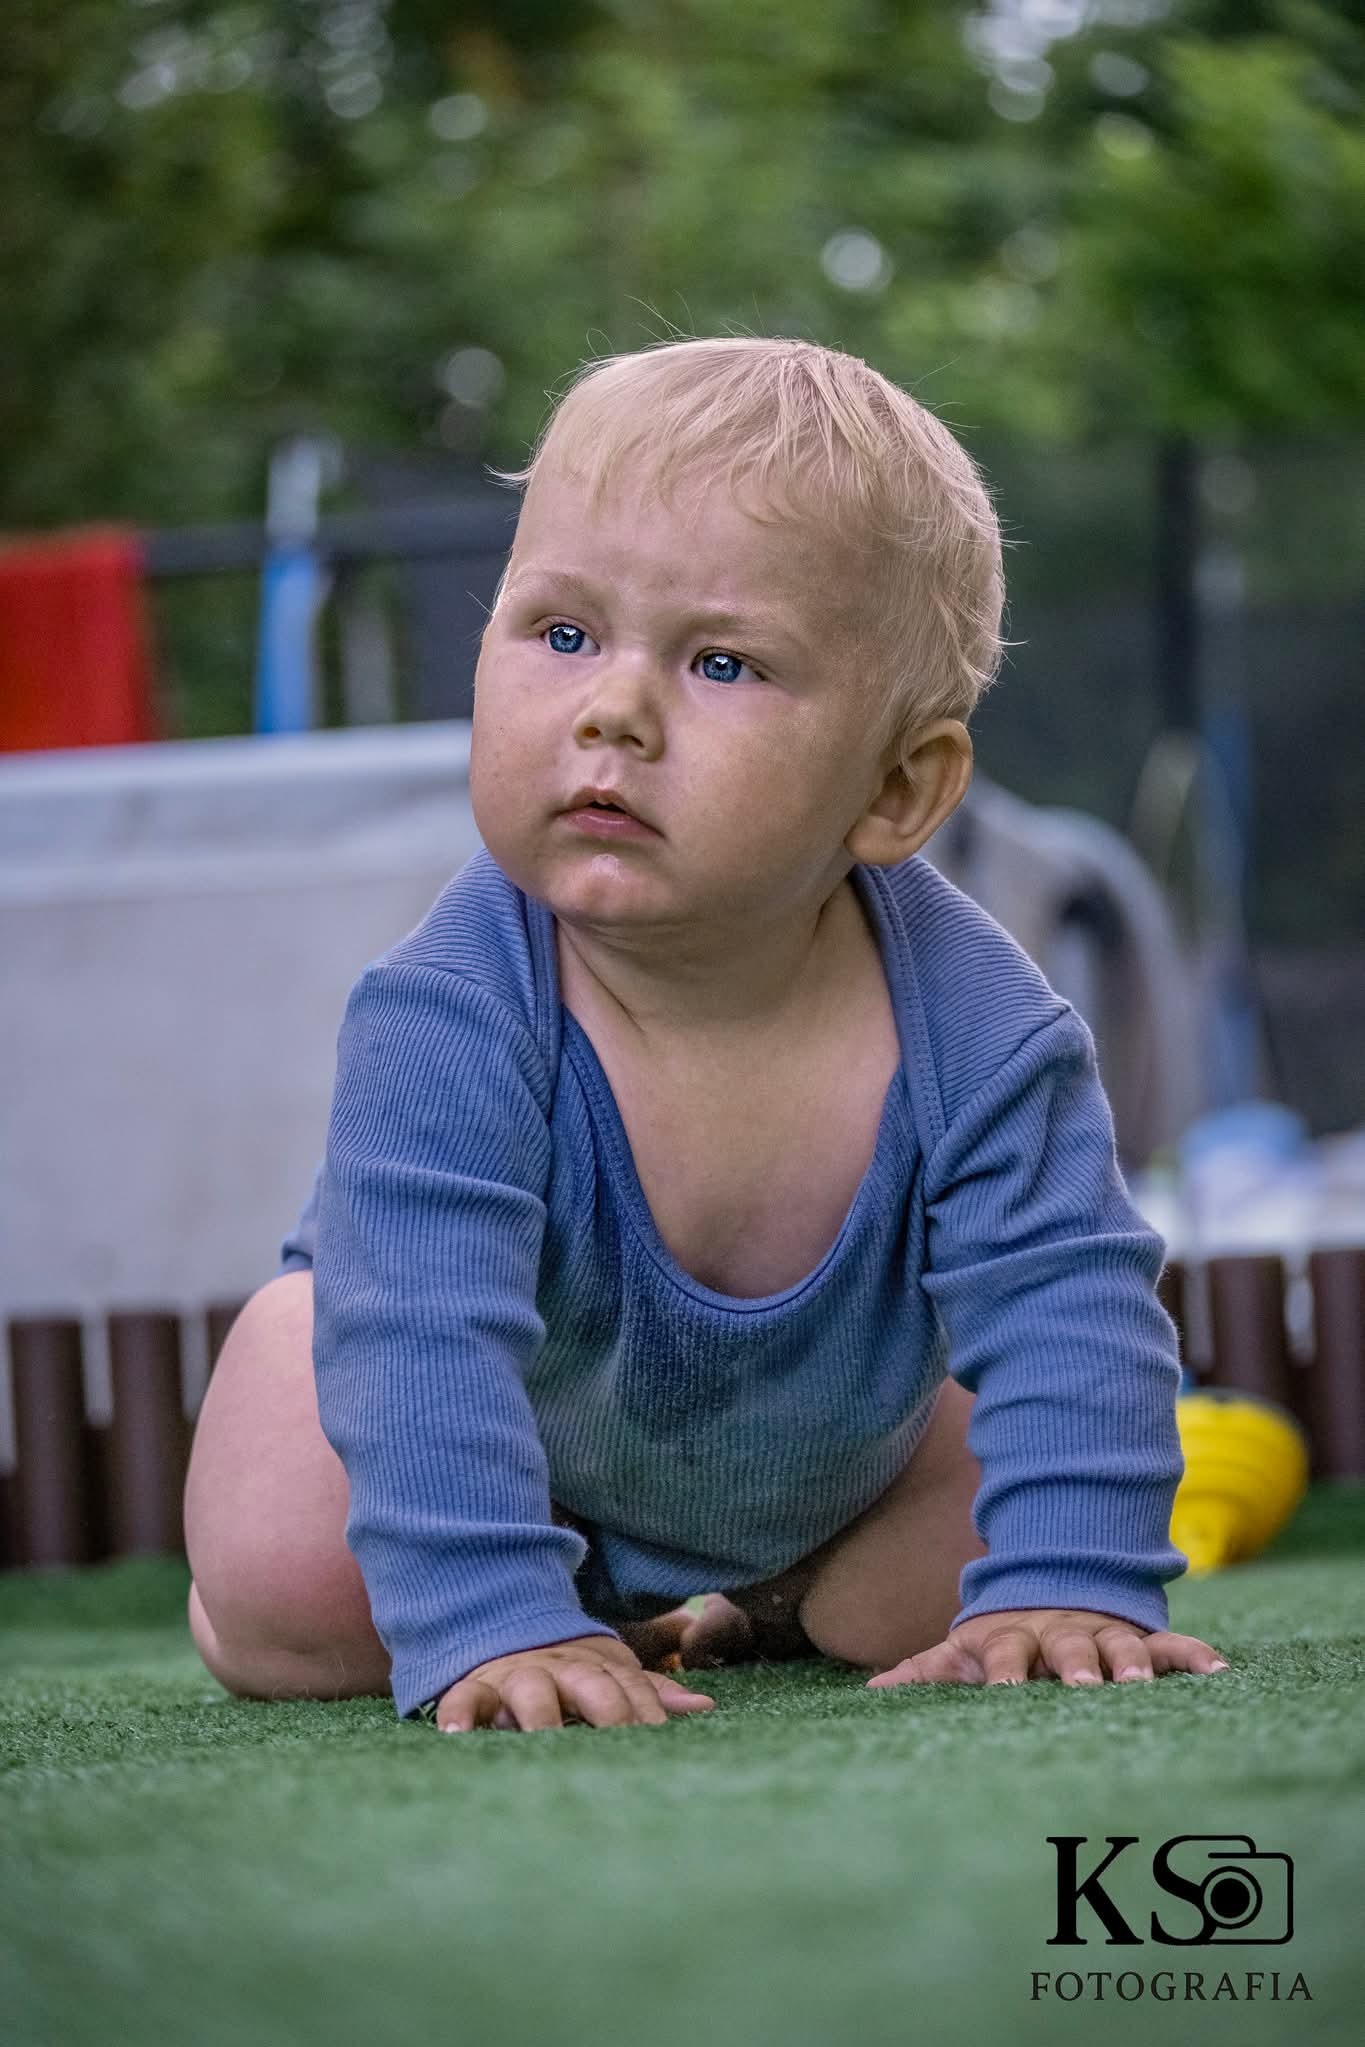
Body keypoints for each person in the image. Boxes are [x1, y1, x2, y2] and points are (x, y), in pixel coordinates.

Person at [183, 335, 1230, 1734]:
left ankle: (771, 1595)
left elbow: (1066, 1305)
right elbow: (419, 1334)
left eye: (722, 662)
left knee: (947, 1599)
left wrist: (1064, 1583)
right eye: (560, 634)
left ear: (897, 789)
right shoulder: (452, 1008)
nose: (610, 708)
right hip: (473, 1447)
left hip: (834, 1465)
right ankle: (563, 1593)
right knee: (294, 1571)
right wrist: (493, 1617)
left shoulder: (983, 1027)